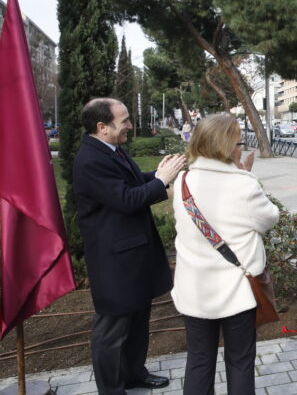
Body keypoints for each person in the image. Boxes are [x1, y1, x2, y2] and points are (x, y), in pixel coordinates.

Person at [73, 98, 186, 393]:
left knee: (137, 320)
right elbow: (125, 200)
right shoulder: (91, 159)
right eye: (124, 121)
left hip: (132, 255)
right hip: (115, 261)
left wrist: (162, 176)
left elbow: (133, 183)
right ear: (102, 127)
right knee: (112, 330)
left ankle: (134, 373)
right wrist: (161, 181)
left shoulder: (110, 150)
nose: (130, 126)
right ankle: (112, 389)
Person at [171, 114, 279, 394]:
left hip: (194, 290)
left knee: (198, 361)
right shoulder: (243, 185)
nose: (241, 147)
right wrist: (246, 174)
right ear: (227, 147)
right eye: (239, 141)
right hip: (237, 292)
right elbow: (270, 218)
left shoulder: (183, 181)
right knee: (240, 362)